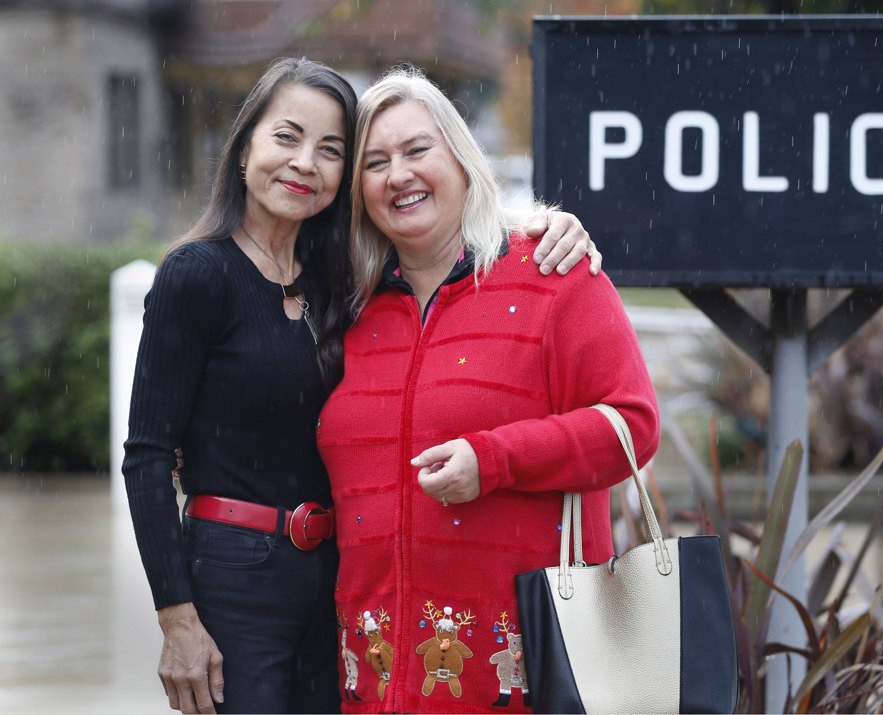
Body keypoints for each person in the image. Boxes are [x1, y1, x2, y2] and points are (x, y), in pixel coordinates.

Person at [121, 57, 600, 715]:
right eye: (286, 137)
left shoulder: (344, 282)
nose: (305, 163)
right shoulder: (195, 275)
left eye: (330, 150)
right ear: (244, 149)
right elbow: (147, 456)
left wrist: (550, 223)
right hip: (233, 574)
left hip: (334, 581)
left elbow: (450, 235)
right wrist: (176, 621)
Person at [316, 64, 660, 714]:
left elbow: (632, 425)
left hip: (528, 682)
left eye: (418, 150)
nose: (399, 174)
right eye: (376, 161)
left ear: (463, 157)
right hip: (373, 684)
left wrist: (495, 460)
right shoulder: (352, 311)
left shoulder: (552, 274)